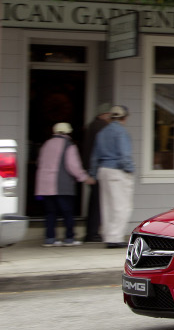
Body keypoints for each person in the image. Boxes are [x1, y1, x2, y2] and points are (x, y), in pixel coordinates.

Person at [35, 123, 96, 247]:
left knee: (50, 212)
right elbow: (73, 166)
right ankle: (69, 238)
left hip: (45, 186)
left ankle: (50, 239)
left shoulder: (46, 144)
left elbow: (39, 162)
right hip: (61, 185)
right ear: (68, 132)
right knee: (67, 212)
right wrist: (85, 178)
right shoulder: (68, 145)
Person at [91, 105, 135, 248]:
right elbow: (124, 155)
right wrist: (129, 170)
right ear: (124, 118)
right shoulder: (121, 132)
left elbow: (94, 156)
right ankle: (115, 238)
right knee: (121, 206)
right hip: (117, 170)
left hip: (103, 170)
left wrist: (93, 172)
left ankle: (109, 236)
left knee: (107, 205)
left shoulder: (102, 133)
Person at [80, 103, 112, 243]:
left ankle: (91, 232)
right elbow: (100, 151)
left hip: (90, 167)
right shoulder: (102, 127)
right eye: (109, 114)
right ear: (104, 114)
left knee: (94, 201)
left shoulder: (91, 126)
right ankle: (93, 233)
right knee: (98, 203)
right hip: (98, 169)